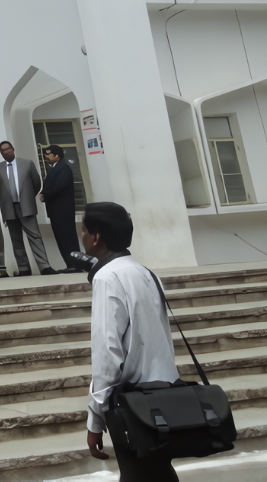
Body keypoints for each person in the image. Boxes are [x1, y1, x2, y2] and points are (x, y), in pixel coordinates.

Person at [83, 202, 180, 481]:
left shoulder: (107, 277)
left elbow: (107, 356)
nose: (81, 236)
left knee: (139, 474)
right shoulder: (145, 272)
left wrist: (95, 419)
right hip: (165, 394)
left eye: (83, 230)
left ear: (96, 237)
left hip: (131, 405)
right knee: (159, 472)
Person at [0, 140, 55, 277]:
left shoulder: (27, 164)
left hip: (26, 206)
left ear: (13, 149)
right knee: (16, 239)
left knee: (35, 236)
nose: (6, 152)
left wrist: (27, 197)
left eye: (8, 149)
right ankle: (24, 268)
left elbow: (37, 183)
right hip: (9, 208)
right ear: (1, 153)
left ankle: (44, 266)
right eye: (3, 151)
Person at [40, 144, 83, 270]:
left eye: (49, 153)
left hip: (63, 210)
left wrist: (45, 195)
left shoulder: (63, 167)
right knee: (61, 238)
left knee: (67, 237)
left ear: (57, 156)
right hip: (56, 211)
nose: (46, 156)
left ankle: (75, 264)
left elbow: (59, 186)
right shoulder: (55, 168)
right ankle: (70, 264)